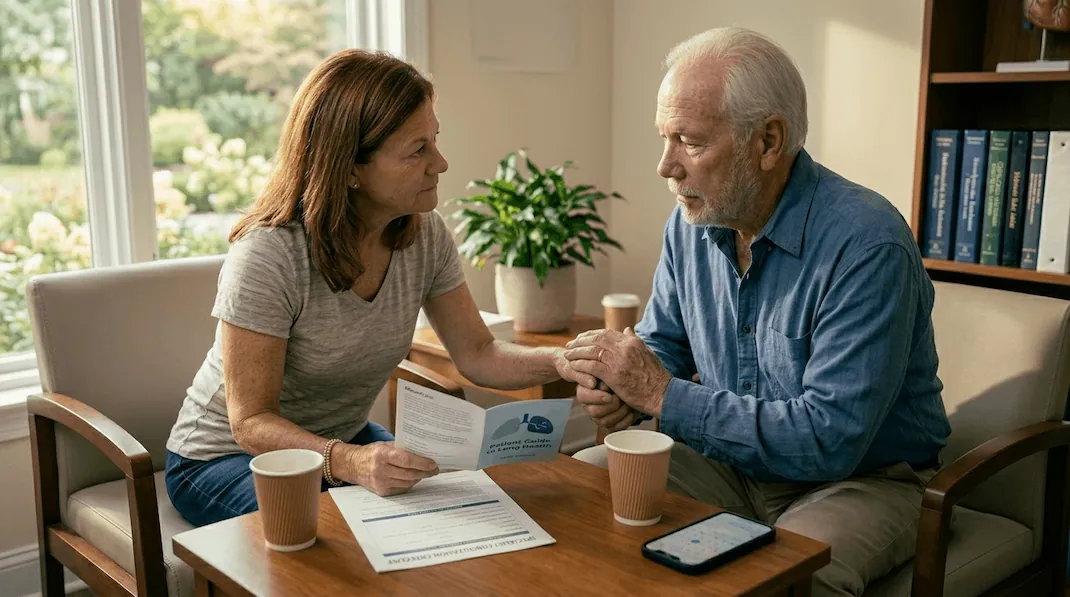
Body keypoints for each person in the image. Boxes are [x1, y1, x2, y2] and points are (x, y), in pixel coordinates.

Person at [565, 28, 951, 596]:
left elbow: (829, 438)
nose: (665, 166)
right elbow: (665, 346)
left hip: (861, 480)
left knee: (788, 577)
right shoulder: (693, 221)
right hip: (729, 465)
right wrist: (618, 385)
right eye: (663, 138)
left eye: (687, 141)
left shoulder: (868, 245)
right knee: (583, 490)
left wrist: (661, 395)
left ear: (769, 141)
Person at [165, 49, 595, 527]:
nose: (442, 163)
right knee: (348, 534)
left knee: (457, 514)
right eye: (417, 150)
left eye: (435, 140)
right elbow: (250, 423)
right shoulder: (270, 256)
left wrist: (562, 362)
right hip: (224, 460)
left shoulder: (424, 234)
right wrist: (350, 462)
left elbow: (477, 353)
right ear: (349, 169)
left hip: (343, 443)